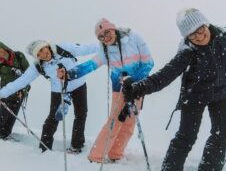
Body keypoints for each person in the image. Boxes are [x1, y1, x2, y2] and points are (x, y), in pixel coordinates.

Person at [122, 8, 226, 171]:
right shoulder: (188, 49)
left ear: (205, 23)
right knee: (187, 136)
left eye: (200, 30)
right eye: (192, 35)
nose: (199, 37)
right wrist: (140, 88)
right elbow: (166, 74)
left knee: (223, 132)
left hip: (223, 92)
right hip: (194, 95)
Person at [57, 18, 154, 162]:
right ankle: (96, 156)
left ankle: (116, 154)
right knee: (115, 121)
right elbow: (92, 64)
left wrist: (133, 82)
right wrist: (70, 73)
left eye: (107, 33)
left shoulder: (133, 37)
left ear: (113, 29)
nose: (105, 38)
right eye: (101, 37)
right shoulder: (105, 50)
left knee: (129, 122)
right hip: (118, 87)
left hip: (137, 86)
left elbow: (149, 63)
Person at [0, 40, 99, 153]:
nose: (42, 54)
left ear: (46, 46)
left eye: (42, 49)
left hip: (78, 85)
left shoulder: (62, 49)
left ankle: (77, 145)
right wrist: (1, 93)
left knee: (81, 114)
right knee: (53, 118)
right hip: (59, 90)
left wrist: (106, 46)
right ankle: (45, 147)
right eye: (38, 54)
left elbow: (85, 48)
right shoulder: (38, 66)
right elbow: (22, 81)